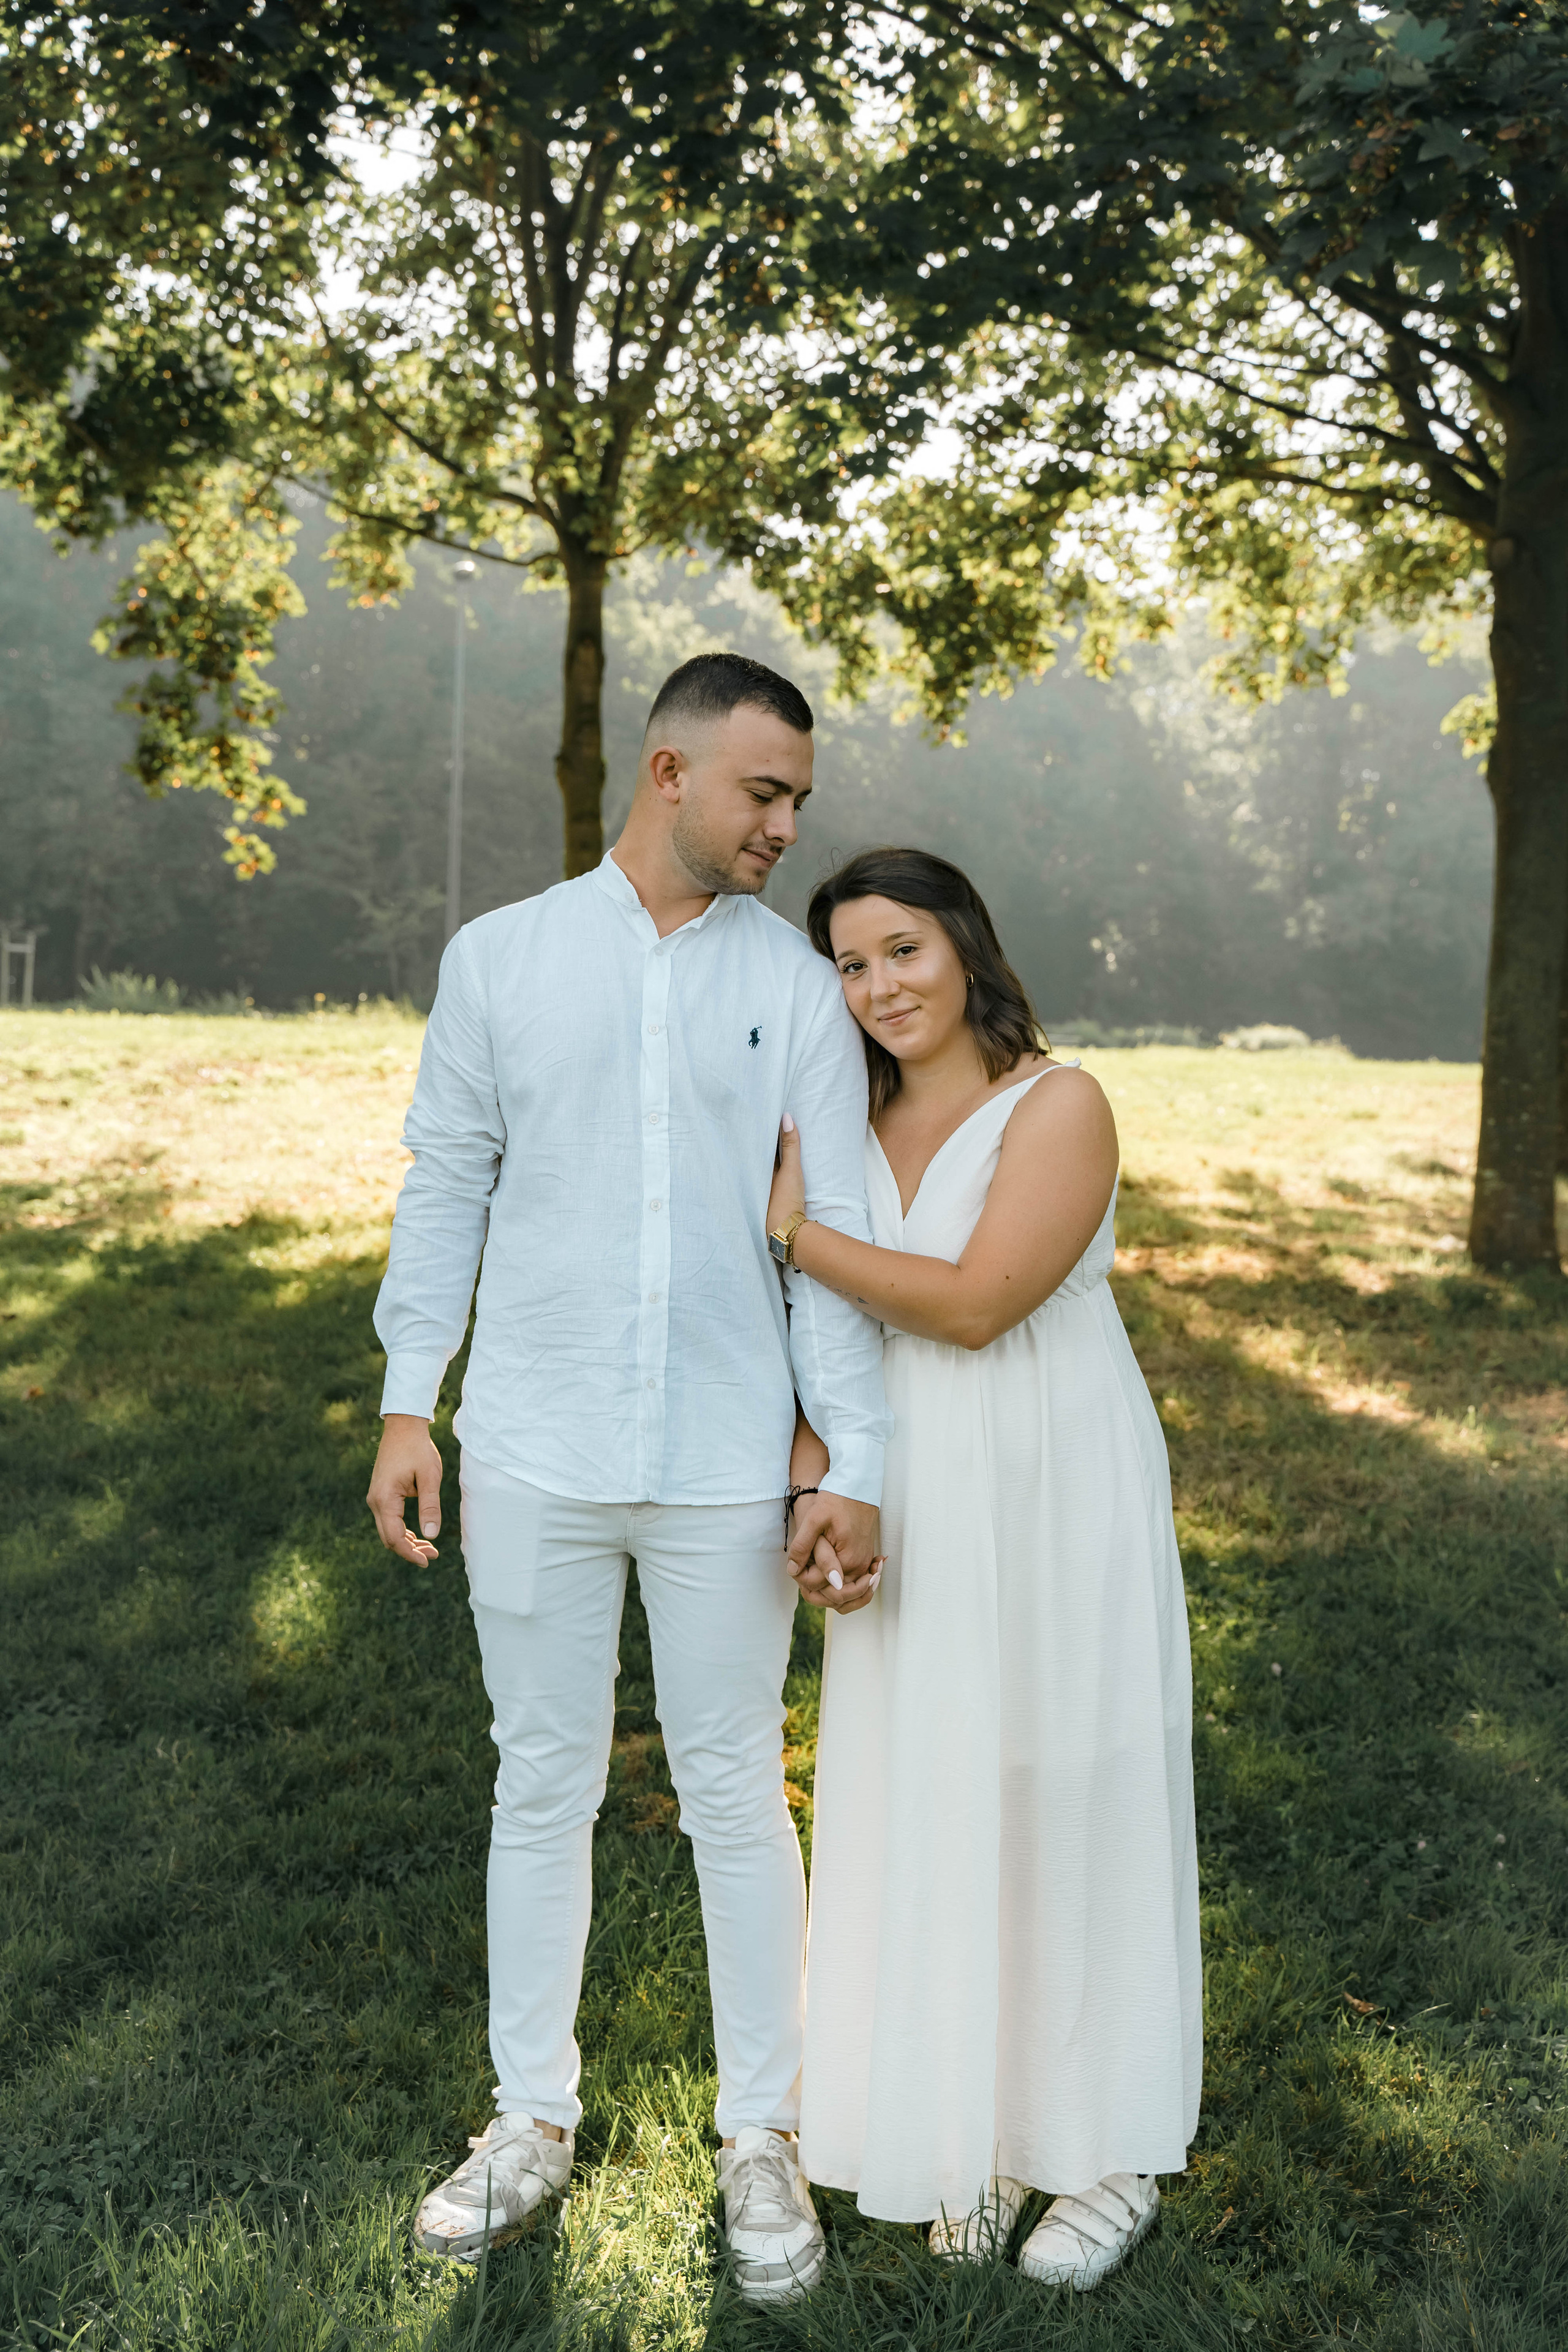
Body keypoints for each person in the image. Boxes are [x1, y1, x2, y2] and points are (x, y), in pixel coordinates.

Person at [366, 653, 890, 2302]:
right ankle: (531, 2117)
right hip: (532, 1442)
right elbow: (445, 1183)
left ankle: (764, 2136)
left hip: (731, 1462)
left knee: (739, 1791)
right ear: (668, 773)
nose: (787, 825)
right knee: (544, 1779)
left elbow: (835, 1241)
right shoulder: (503, 959)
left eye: (798, 796)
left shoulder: (799, 989)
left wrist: (850, 1456)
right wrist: (407, 1403)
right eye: (764, 793)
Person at [769, 847, 1201, 2290]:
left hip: (1049, 1471)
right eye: (846, 963)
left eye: (900, 950)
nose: (877, 986)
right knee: (937, 1784)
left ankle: (1111, 2145)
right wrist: (814, 1483)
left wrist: (796, 1231)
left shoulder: (1058, 1104)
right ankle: (979, 2123)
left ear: (962, 945)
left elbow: (972, 1306)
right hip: (902, 1486)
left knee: (1068, 1778)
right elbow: (807, 1331)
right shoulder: (843, 1114)